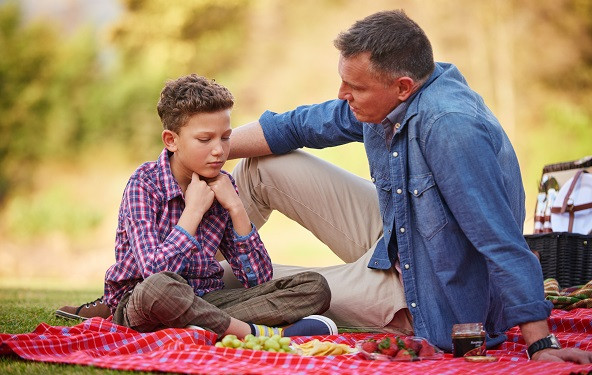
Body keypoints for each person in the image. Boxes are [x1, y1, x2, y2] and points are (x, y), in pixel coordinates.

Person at [220, 10, 592, 362]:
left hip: (429, 297)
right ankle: (175, 251)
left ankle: (182, 278)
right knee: (263, 167)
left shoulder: (450, 129)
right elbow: (296, 126)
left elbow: (501, 241)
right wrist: (197, 151)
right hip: (398, 238)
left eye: (354, 87)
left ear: (402, 86)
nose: (341, 94)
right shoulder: (394, 98)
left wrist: (541, 343)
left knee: (233, 281)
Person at [56, 74, 337, 338]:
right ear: (171, 140)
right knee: (160, 289)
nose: (219, 150)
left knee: (314, 288)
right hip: (145, 300)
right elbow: (154, 273)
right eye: (205, 139)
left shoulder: (224, 185)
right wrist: (193, 212)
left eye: (225, 137)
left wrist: (237, 208)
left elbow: (259, 279)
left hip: (208, 299)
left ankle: (199, 326)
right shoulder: (144, 184)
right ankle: (255, 333)